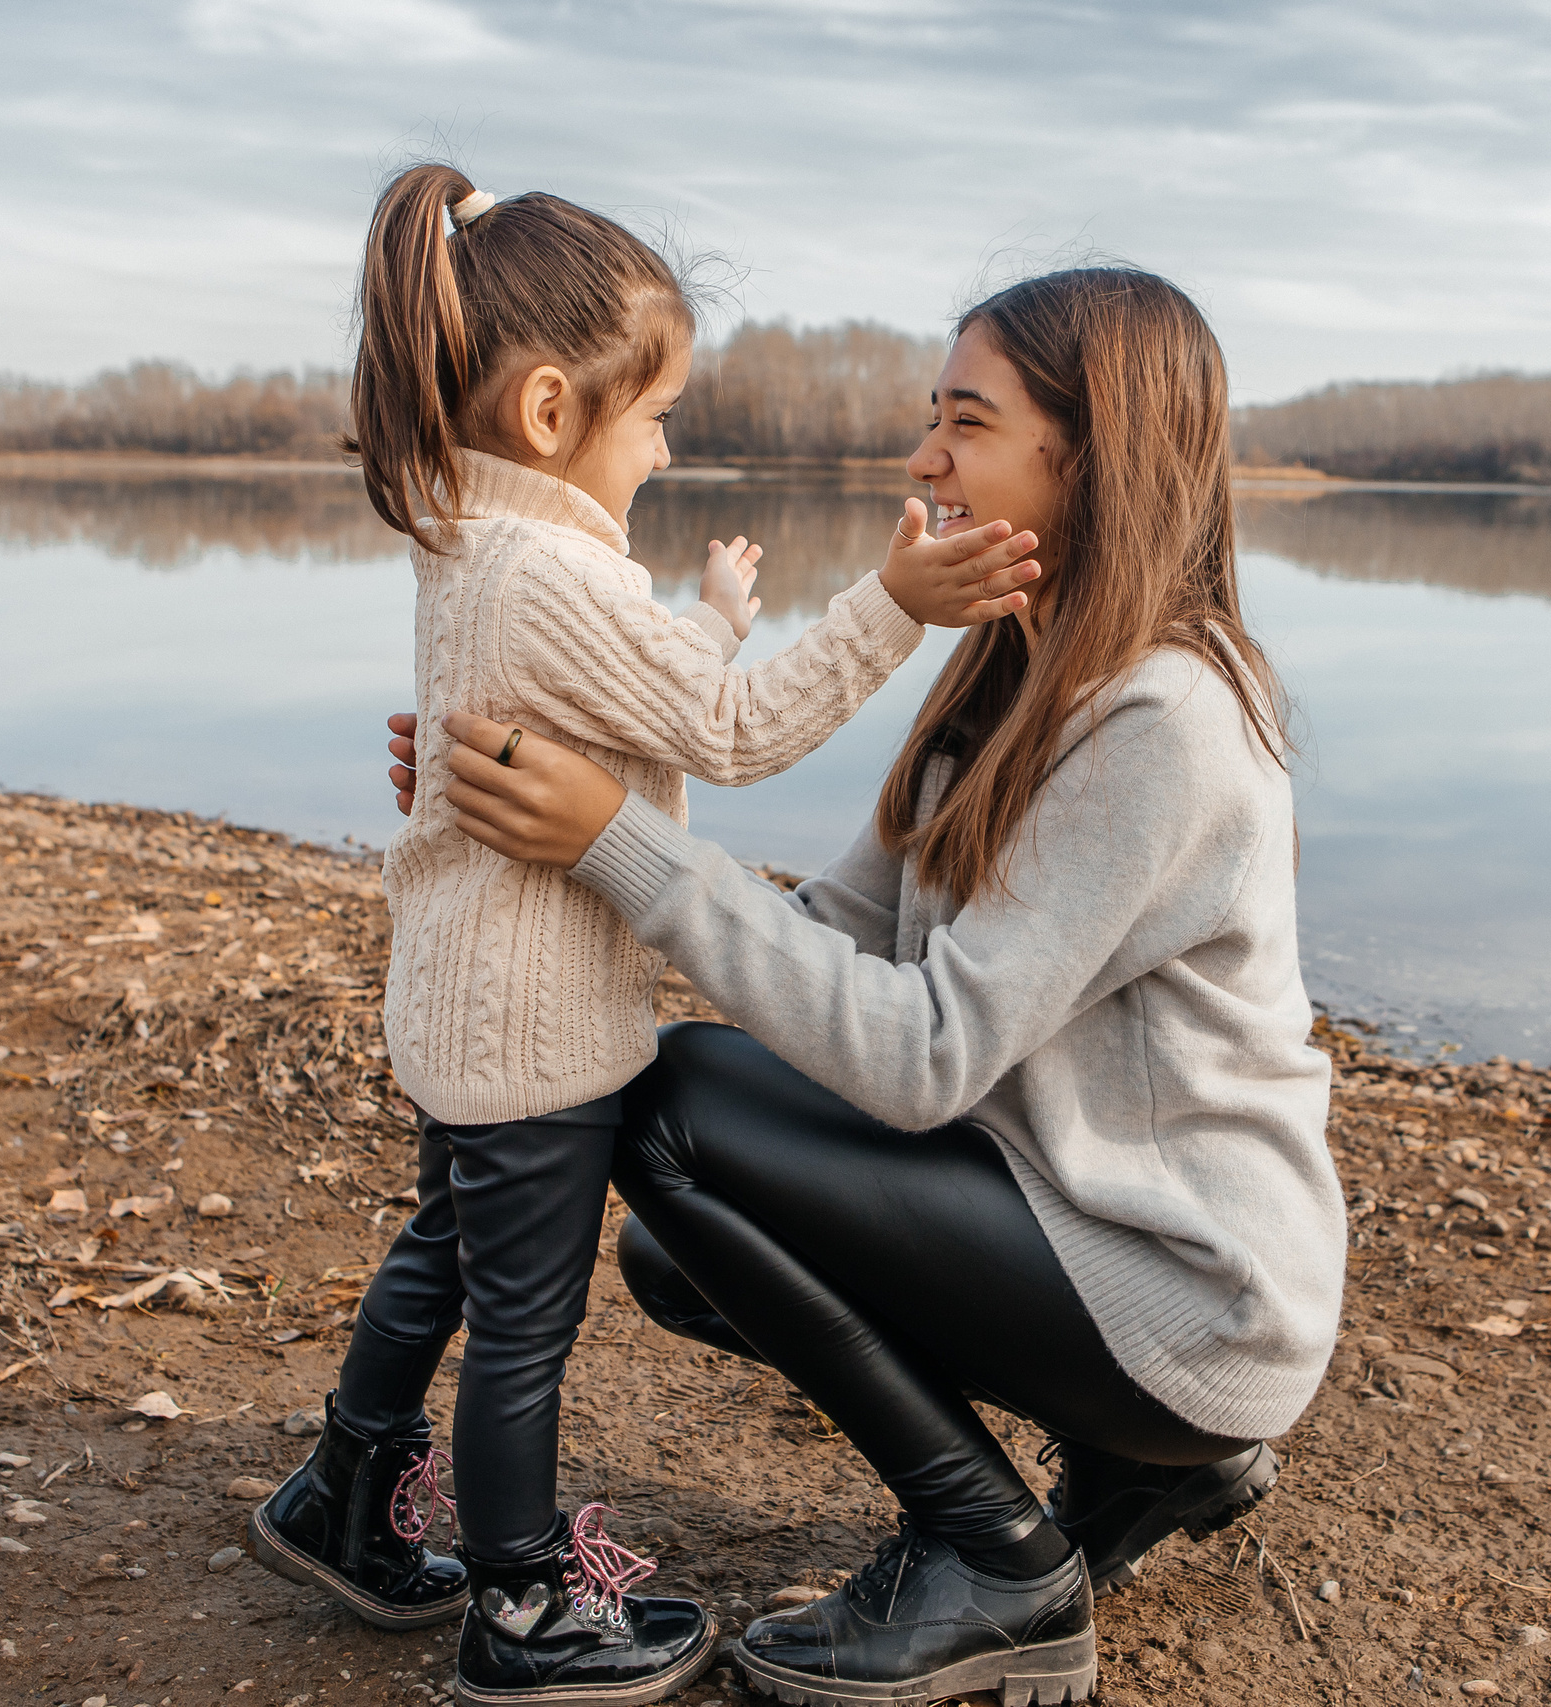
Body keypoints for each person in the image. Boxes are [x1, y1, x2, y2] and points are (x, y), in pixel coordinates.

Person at [395, 266, 1345, 1707]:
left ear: (1096, 455)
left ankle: (999, 1558)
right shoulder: (1013, 668)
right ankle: (1142, 1470)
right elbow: (837, 927)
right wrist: (540, 819)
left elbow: (919, 1058)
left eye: (967, 423)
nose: (924, 459)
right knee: (680, 1242)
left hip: (1196, 1293)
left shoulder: (1170, 720)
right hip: (1076, 1217)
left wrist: (613, 839)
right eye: (933, 417)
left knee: (671, 1113)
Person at [248, 162, 1047, 1707]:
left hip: (460, 1002)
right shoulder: (553, 568)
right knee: (524, 1332)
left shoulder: (475, 537)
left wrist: (718, 617)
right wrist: (893, 608)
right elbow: (730, 736)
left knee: (447, 1254)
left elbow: (629, 691)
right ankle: (526, 1607)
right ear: (553, 414)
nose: (668, 443)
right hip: (535, 1032)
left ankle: (344, 1491)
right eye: (657, 415)